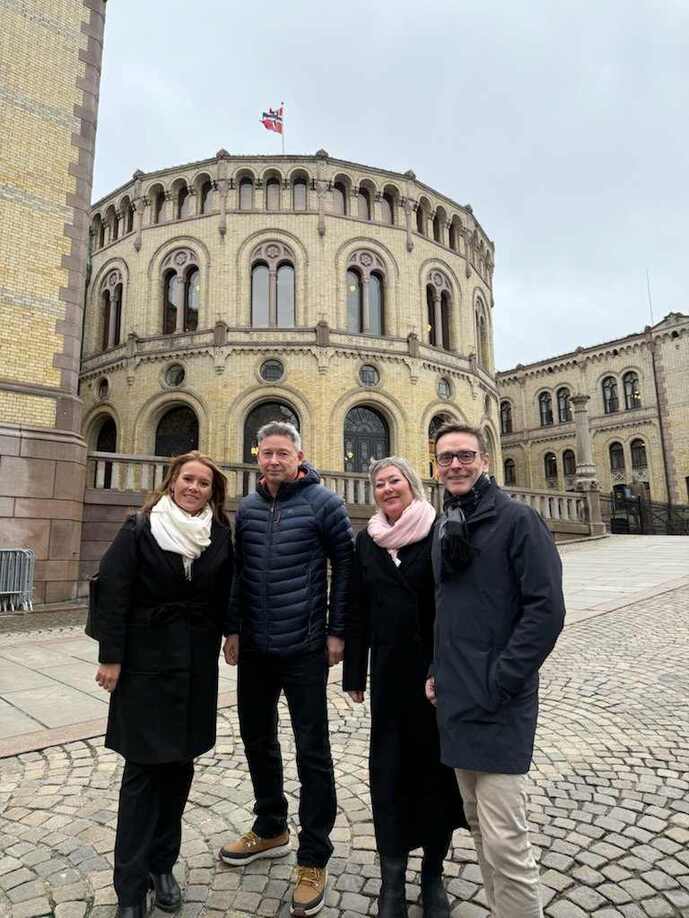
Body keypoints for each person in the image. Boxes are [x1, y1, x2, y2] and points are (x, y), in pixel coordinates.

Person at [426, 423, 565, 918]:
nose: (455, 465)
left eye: (464, 455)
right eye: (446, 458)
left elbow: (546, 611)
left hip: (499, 700)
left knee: (506, 837)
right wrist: (435, 668)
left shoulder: (518, 521)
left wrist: (503, 678)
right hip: (457, 697)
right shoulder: (449, 521)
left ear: (484, 460)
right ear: (436, 466)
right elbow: (447, 608)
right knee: (479, 825)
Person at [219, 420, 353, 918]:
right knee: (257, 738)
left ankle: (314, 857)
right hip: (254, 647)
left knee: (312, 749)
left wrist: (337, 631)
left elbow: (347, 569)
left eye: (282, 452)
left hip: (304, 647)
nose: (274, 460)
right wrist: (232, 629)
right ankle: (271, 825)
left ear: (300, 455)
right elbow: (237, 572)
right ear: (258, 456)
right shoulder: (249, 508)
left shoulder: (325, 504)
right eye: (266, 452)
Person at [94, 452, 234, 918]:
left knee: (179, 770)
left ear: (213, 492)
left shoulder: (219, 533)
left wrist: (232, 632)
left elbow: (228, 590)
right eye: (187, 479)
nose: (195, 488)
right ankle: (130, 890)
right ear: (171, 481)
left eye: (204, 483)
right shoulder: (140, 527)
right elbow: (112, 590)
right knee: (141, 777)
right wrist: (111, 656)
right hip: (144, 666)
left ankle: (162, 866)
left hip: (195, 668)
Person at [343, 457, 466, 918]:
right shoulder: (367, 541)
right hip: (390, 679)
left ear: (412, 486)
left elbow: (457, 603)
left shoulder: (440, 532)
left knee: (436, 776)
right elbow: (356, 606)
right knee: (389, 777)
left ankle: (432, 877)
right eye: (379, 483)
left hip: (437, 677)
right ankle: (391, 881)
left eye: (395, 481)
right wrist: (354, 672)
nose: (387, 489)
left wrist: (446, 665)